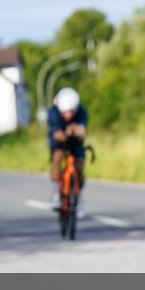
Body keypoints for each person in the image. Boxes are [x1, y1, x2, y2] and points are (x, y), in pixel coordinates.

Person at [47, 87, 88, 219]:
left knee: (80, 164)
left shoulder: (82, 112)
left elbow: (83, 131)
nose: (68, 115)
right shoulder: (53, 113)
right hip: (59, 140)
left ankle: (78, 199)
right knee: (57, 158)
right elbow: (57, 134)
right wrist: (67, 132)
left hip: (76, 141)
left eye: (71, 112)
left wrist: (77, 130)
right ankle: (55, 194)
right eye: (65, 112)